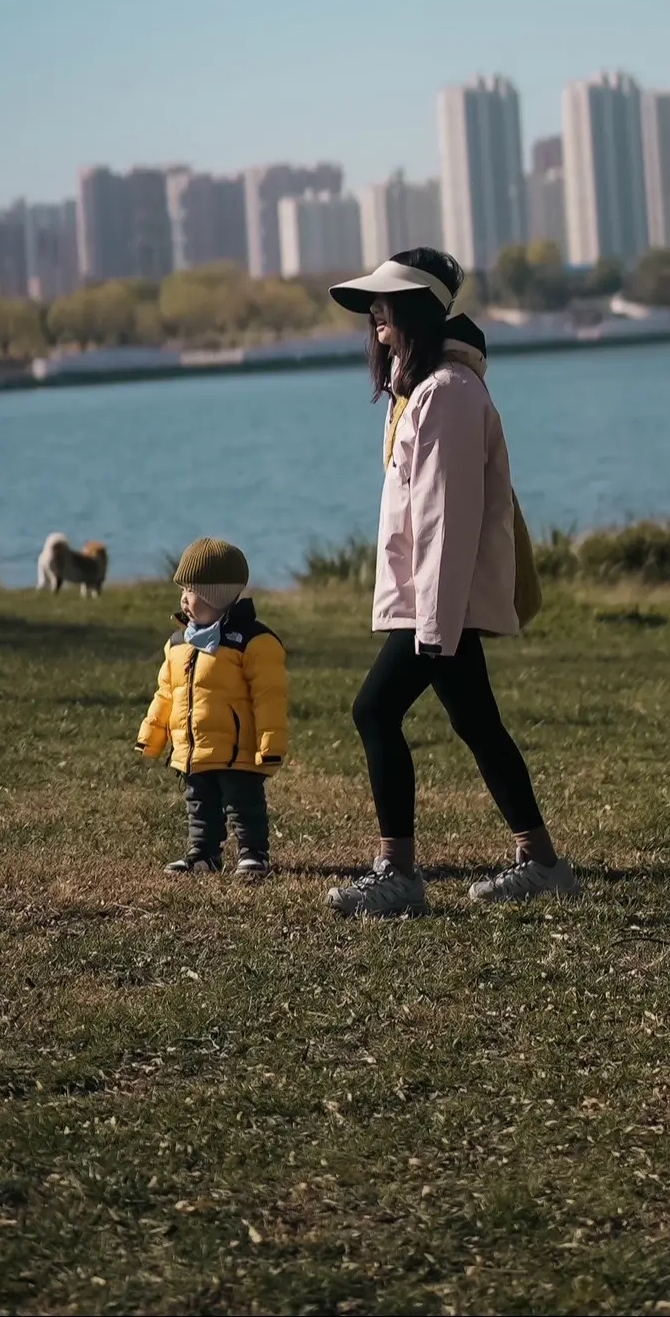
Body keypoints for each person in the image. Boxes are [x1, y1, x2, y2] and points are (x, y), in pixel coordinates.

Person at [324, 246, 578, 917]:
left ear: (420, 308)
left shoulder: (446, 393)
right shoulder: (422, 388)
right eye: (372, 301)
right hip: (434, 601)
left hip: (437, 603)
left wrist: (432, 623)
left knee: (374, 711)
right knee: (477, 722)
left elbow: (446, 516)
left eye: (388, 299)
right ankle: (543, 862)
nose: (375, 310)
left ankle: (398, 874)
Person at [136, 538, 288, 878]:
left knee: (243, 803)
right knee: (199, 805)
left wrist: (270, 744)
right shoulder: (179, 642)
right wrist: (152, 734)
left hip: (238, 750)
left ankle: (253, 855)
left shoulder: (253, 641)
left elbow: (269, 696)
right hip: (193, 748)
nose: (183, 599)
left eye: (190, 590)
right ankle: (202, 855)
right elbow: (166, 693)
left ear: (215, 594)